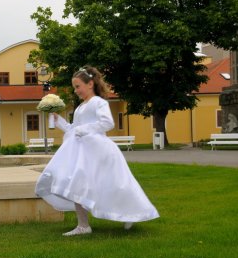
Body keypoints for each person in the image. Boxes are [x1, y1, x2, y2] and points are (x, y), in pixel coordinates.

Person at [35, 66, 159, 236]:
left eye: (78, 86)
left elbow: (107, 123)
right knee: (76, 183)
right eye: (74, 87)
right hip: (83, 152)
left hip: (99, 151)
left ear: (90, 84)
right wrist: (59, 121)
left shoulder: (98, 103)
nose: (76, 90)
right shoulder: (80, 107)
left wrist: (83, 130)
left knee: (116, 185)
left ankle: (131, 212)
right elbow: (74, 129)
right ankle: (83, 225)